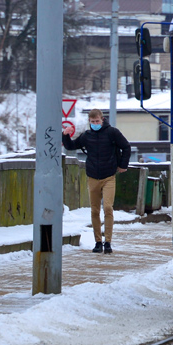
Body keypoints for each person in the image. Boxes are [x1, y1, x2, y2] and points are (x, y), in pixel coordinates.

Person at [63, 108, 131, 254]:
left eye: (97, 121)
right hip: (93, 176)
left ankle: (108, 242)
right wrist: (65, 135)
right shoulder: (87, 136)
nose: (95, 123)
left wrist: (123, 166)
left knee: (107, 208)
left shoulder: (112, 132)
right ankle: (98, 242)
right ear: (89, 121)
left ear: (102, 120)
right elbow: (71, 146)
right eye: (92, 122)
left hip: (109, 176)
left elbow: (126, 147)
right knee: (94, 210)